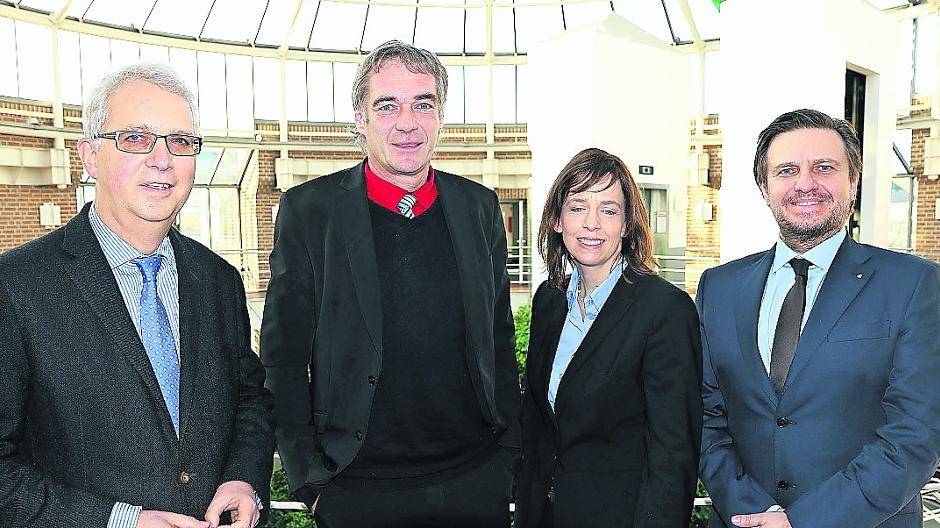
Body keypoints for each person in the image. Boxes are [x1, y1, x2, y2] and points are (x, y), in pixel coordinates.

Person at [0, 63, 275, 528]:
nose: (162, 159)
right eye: (135, 138)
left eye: (181, 142)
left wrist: (243, 479)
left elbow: (250, 398)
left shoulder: (220, 282)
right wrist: (118, 520)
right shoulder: (17, 288)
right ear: (89, 155)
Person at [260, 39, 520, 527]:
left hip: (474, 482)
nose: (407, 122)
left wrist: (508, 454)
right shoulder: (309, 213)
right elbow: (283, 357)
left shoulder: (479, 209)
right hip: (357, 492)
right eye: (387, 106)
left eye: (424, 104)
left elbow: (499, 340)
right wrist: (309, 480)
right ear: (360, 118)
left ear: (441, 115)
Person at [698, 109, 940, 528]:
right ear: (764, 186)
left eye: (824, 167)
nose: (805, 183)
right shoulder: (719, 287)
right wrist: (752, 509)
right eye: (787, 170)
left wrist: (803, 521)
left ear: (853, 180)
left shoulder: (915, 285)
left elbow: (915, 432)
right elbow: (704, 414)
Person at [515, 148, 703, 528]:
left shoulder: (665, 309)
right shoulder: (549, 300)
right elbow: (537, 422)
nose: (592, 224)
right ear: (556, 220)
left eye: (608, 210)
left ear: (627, 224)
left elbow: (673, 454)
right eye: (578, 206)